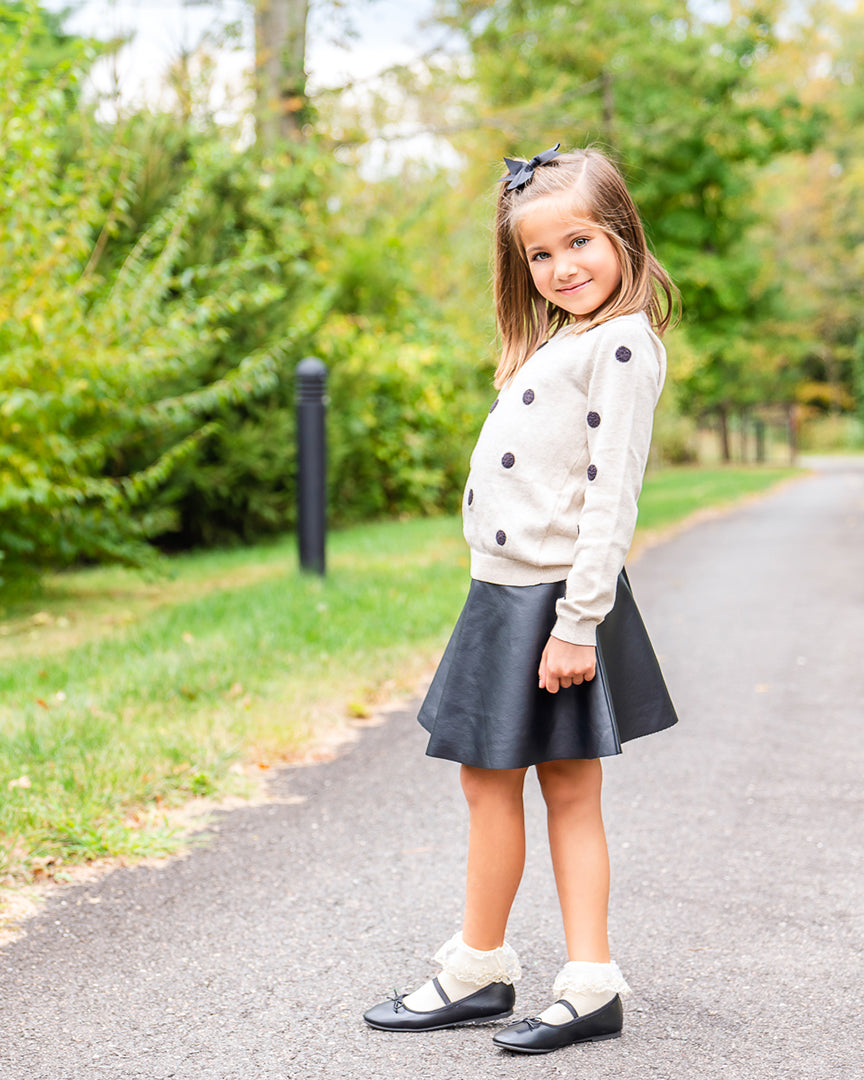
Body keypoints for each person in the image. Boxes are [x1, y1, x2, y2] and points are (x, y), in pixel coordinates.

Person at [363, 144, 680, 1055]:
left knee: (567, 789)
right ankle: (483, 969)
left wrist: (578, 624)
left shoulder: (621, 341)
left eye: (580, 242)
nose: (562, 267)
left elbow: (612, 496)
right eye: (540, 254)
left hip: (554, 603)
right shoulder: (565, 336)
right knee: (490, 779)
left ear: (622, 235)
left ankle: (582, 982)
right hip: (504, 596)